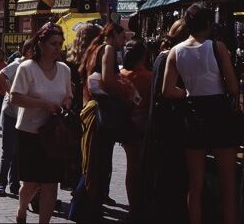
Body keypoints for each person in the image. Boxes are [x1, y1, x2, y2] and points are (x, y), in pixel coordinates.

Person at [163, 4, 239, 224]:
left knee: (194, 184)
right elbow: (233, 87)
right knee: (228, 183)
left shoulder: (175, 51)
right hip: (219, 113)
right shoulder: (217, 47)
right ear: (208, 24)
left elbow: (167, 90)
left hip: (193, 114)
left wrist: (187, 92)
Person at [11, 22, 72, 224]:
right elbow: (16, 98)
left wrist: (66, 103)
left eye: (60, 44)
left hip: (54, 135)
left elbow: (68, 96)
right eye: (53, 44)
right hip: (30, 133)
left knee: (50, 183)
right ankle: (21, 210)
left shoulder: (64, 70)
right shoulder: (27, 68)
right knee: (32, 184)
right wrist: (44, 104)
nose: (58, 48)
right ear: (41, 45)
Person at [75, 22, 127, 223]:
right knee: (98, 164)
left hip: (90, 108)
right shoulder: (107, 49)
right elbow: (107, 80)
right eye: (123, 38)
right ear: (113, 35)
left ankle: (85, 208)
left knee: (93, 163)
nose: (124, 43)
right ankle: (85, 209)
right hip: (100, 112)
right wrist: (125, 93)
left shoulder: (94, 49)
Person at [143, 18, 189, 223]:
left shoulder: (161, 56)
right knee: (167, 176)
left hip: (158, 124)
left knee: (158, 174)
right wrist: (189, 93)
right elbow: (168, 91)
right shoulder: (172, 57)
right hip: (167, 126)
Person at [0, 40, 34, 198]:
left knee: (19, 151)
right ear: (26, 51)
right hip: (11, 113)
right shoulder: (18, 64)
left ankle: (14, 184)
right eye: (32, 50)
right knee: (8, 151)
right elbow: (0, 76)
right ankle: (1, 184)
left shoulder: (34, 67)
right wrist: (11, 93)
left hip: (23, 114)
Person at [119, 39, 152, 223]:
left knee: (131, 167)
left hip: (126, 124)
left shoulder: (122, 75)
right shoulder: (149, 76)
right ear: (144, 56)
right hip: (144, 124)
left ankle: (133, 206)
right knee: (141, 167)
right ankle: (140, 205)